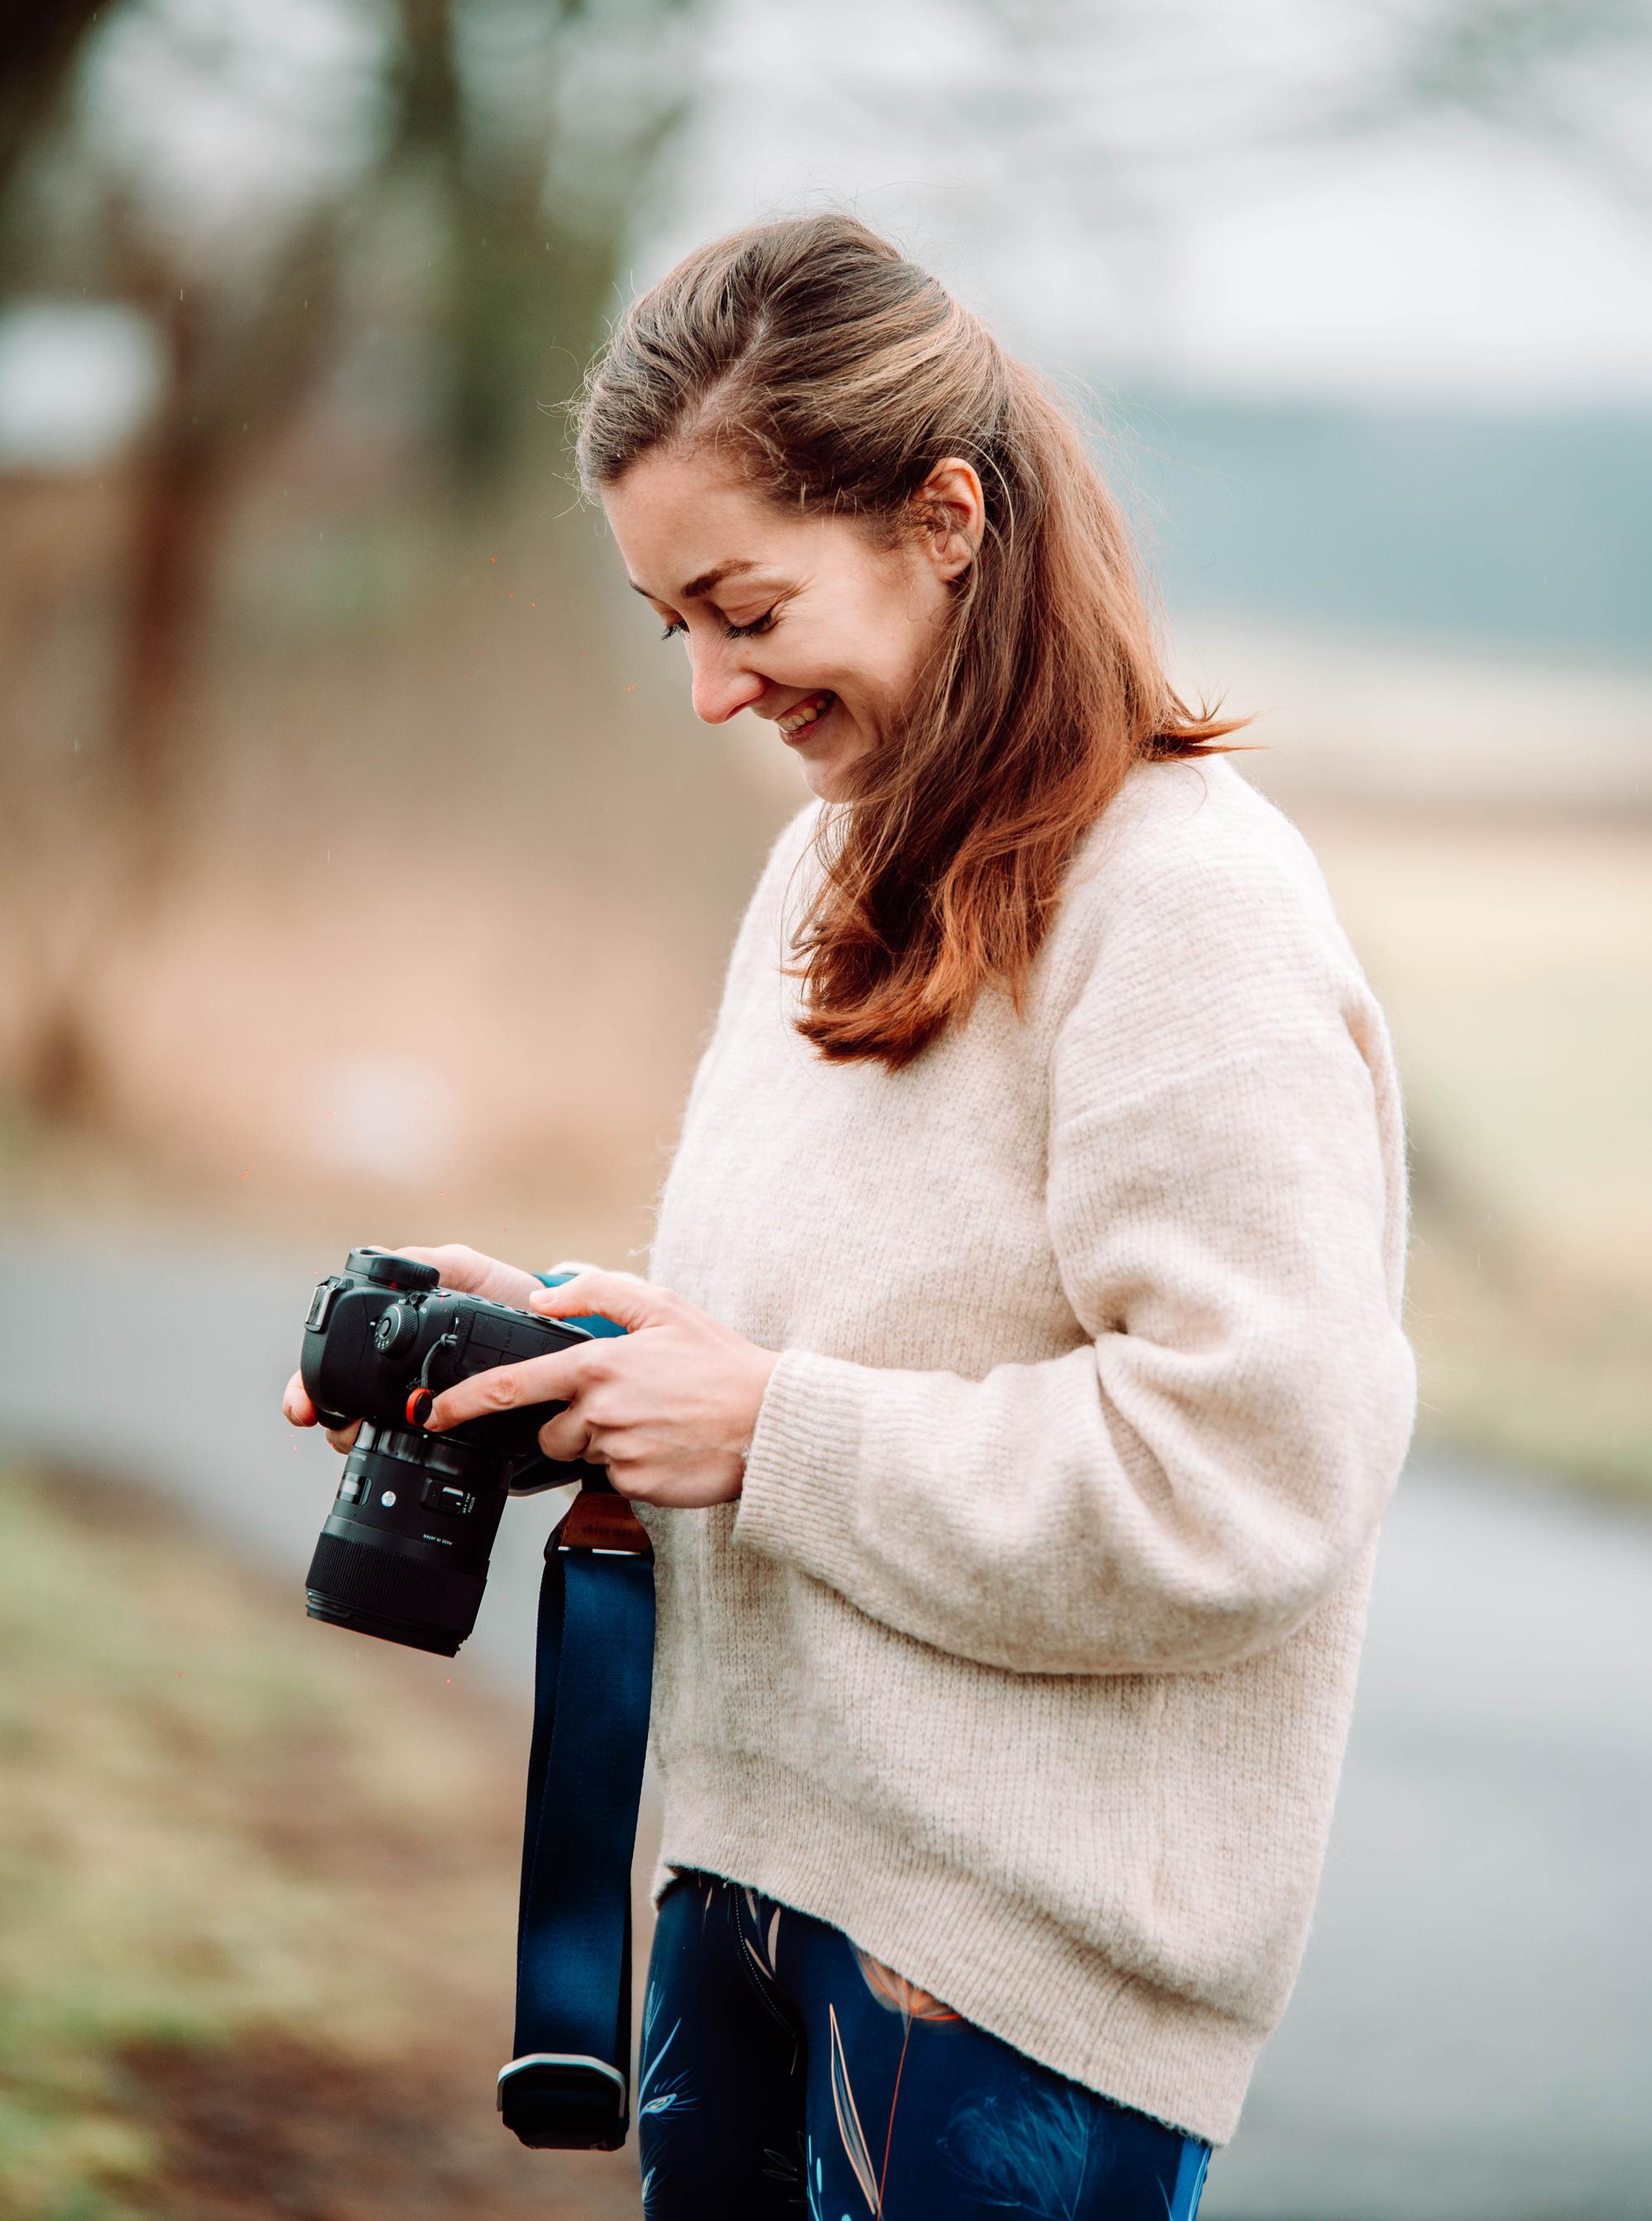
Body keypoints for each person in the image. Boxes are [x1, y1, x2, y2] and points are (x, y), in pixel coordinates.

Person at [284, 214, 1416, 2218]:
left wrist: (770, 1434)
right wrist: (570, 1354)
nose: (713, 689)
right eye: (672, 626)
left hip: (995, 1980)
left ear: (943, 518)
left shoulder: (1185, 907)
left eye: (745, 608)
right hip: (743, 1889)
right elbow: (837, 1352)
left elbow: (1246, 1480)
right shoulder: (831, 868)